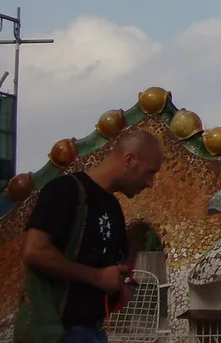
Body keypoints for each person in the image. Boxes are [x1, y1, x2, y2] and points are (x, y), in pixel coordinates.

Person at [15, 129, 164, 343]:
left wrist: (120, 284)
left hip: (94, 331)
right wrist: (97, 277)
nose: (151, 183)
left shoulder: (113, 206)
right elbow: (34, 251)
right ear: (129, 160)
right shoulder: (65, 190)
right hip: (56, 332)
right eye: (150, 172)